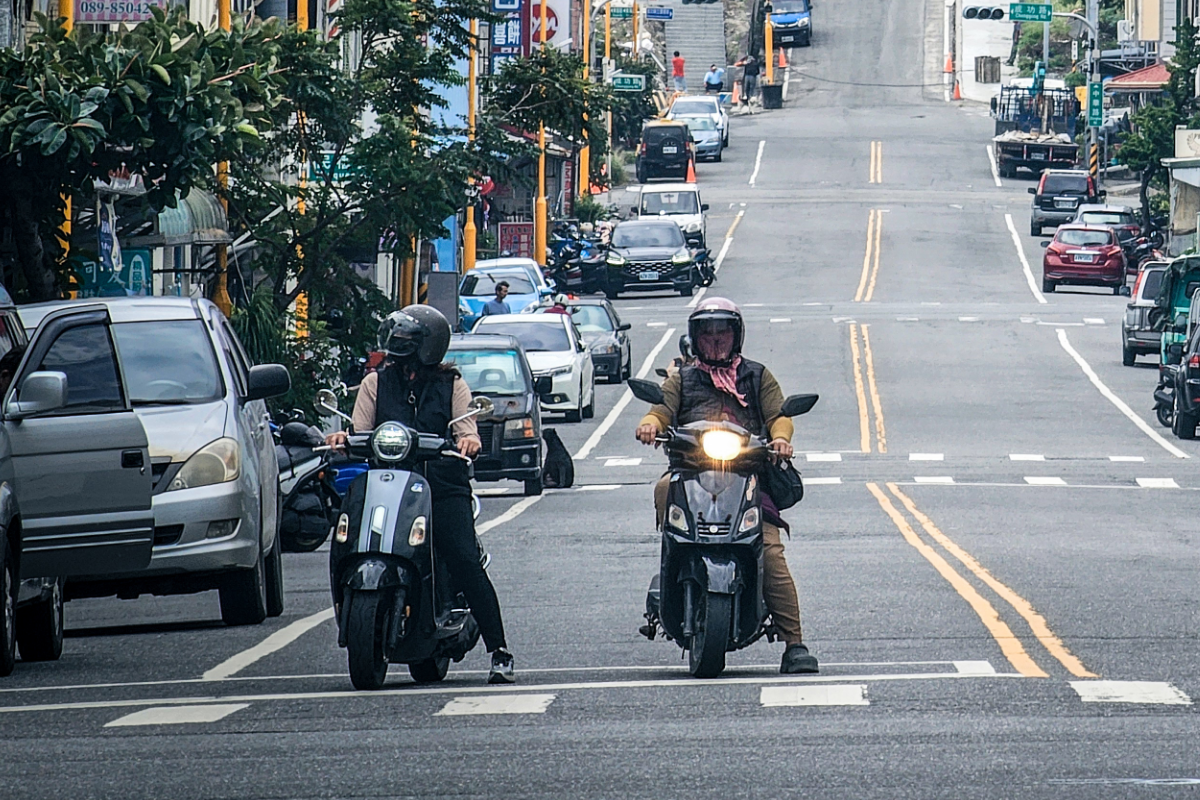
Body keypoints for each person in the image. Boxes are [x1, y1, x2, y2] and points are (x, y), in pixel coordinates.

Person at [326, 306, 516, 684]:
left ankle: (500, 651)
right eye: (395, 341)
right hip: (387, 485)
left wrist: (468, 439)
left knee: (463, 557)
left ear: (427, 347)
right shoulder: (375, 383)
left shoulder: (452, 385)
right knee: (350, 540)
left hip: (442, 484)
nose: (398, 349)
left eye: (406, 343)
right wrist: (342, 439)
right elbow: (360, 429)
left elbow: (466, 426)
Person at [634, 297, 819, 675]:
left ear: (737, 336)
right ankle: (673, 573)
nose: (716, 339)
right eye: (707, 333)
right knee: (662, 489)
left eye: (723, 332)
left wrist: (781, 439)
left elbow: (779, 416)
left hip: (747, 478)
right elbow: (661, 409)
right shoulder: (682, 378)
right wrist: (650, 424)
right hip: (690, 476)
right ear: (695, 338)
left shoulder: (757, 375)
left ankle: (795, 643)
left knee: (770, 551)